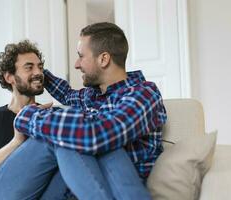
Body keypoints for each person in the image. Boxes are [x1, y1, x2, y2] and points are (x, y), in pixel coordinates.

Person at [14, 22, 167, 199]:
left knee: (69, 135)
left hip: (119, 186)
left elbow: (95, 135)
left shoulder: (143, 94)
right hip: (80, 185)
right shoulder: (92, 95)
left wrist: (27, 115)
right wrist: (39, 73)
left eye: (81, 56)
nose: (76, 64)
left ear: (103, 59)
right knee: (66, 134)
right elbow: (67, 94)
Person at [0, 40, 70, 199]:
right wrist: (17, 141)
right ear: (9, 77)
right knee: (51, 138)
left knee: (75, 145)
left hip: (41, 193)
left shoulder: (52, 114)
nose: (38, 72)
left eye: (40, 67)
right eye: (29, 67)